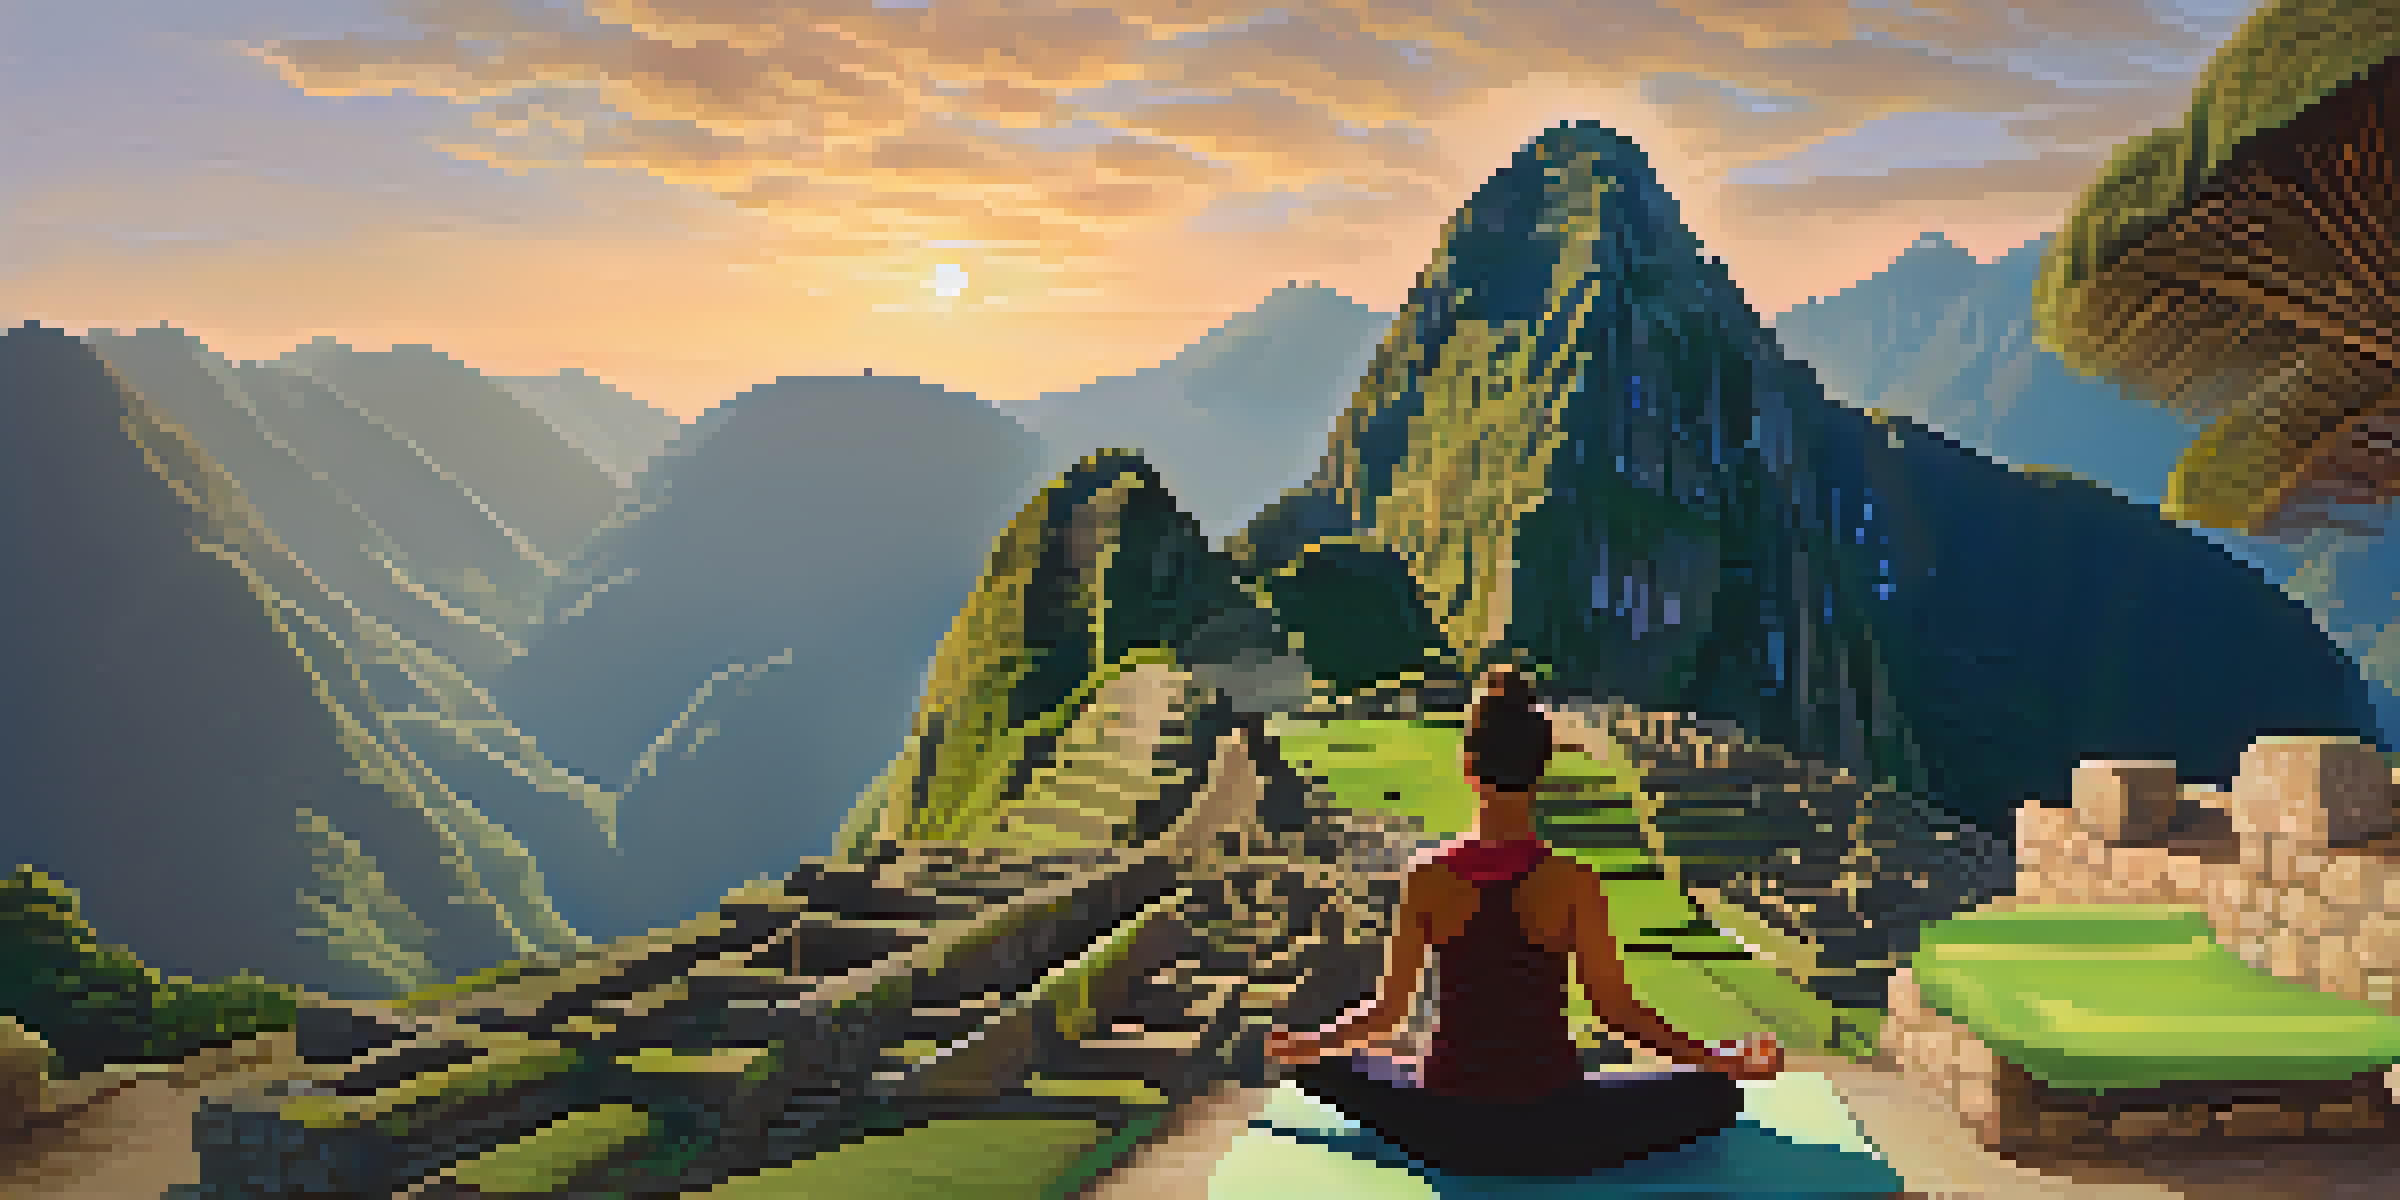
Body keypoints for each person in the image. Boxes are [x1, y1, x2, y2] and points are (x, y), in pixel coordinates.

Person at [1263, 665, 1782, 1178]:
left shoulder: (1426, 877)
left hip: (1444, 1129)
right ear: (1542, 769)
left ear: (1468, 766)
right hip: (1553, 1128)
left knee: (1331, 1067)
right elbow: (1617, 1013)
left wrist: (1304, 1045)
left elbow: (1387, 1014)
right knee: (1715, 1092)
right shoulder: (1571, 880)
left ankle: (1306, 1058)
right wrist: (1721, 1059)